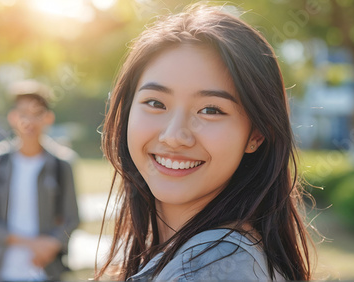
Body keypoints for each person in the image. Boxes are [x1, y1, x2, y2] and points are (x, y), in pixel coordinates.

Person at [98, 4, 314, 281]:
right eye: (155, 103)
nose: (174, 136)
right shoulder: (200, 257)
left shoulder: (210, 269)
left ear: (256, 134)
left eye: (211, 110)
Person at [0, 80, 80, 281]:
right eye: (23, 113)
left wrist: (51, 245)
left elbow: (72, 218)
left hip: (47, 272)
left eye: (37, 113)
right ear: (13, 117)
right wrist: (31, 244)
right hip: (2, 271)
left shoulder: (62, 164)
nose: (29, 121)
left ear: (48, 118)